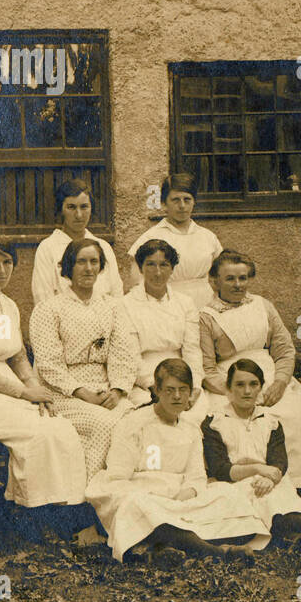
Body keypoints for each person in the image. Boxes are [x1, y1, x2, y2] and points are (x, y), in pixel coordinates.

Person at [0, 239, 86, 511]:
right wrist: (24, 393)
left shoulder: (7, 305)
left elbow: (18, 355)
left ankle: (62, 506)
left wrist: (36, 389)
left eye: (7, 263)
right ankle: (28, 507)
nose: (2, 270)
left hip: (9, 384)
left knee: (60, 427)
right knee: (37, 433)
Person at [85, 360, 264, 563]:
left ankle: (164, 548)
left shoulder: (191, 429)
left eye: (183, 390)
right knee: (139, 506)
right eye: (169, 390)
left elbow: (196, 477)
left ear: (190, 393)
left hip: (179, 498)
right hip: (141, 493)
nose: (177, 396)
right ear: (157, 391)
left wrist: (184, 496)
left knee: (229, 494)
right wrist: (158, 497)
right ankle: (216, 552)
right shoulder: (133, 423)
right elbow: (118, 477)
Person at [199, 251, 301, 490]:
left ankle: (299, 489)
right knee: (224, 422)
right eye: (230, 279)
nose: (238, 285)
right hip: (228, 384)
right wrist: (236, 391)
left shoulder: (263, 306)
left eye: (243, 278)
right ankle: (242, 486)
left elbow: (284, 351)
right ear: (214, 281)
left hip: (269, 379)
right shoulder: (206, 317)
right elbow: (207, 369)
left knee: (292, 414)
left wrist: (280, 384)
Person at [200, 358, 301, 552]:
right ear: (228, 389)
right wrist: (259, 470)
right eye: (239, 385)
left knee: (280, 492)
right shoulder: (215, 422)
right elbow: (220, 468)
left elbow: (279, 461)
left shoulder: (270, 421)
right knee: (260, 496)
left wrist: (271, 478)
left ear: (261, 388)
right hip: (232, 482)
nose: (247, 391)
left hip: (267, 479)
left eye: (253, 384)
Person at [29, 238, 137, 480]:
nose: (88, 268)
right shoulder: (49, 308)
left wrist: (118, 390)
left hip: (106, 387)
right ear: (69, 267)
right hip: (64, 393)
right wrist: (82, 392)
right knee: (104, 425)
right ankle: (88, 494)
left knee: (135, 419)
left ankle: (120, 491)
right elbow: (48, 363)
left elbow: (123, 353)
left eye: (94, 262)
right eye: (81, 262)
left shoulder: (113, 307)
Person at [118, 239, 207, 422]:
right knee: (152, 418)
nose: (157, 272)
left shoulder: (185, 303)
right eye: (150, 265)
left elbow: (192, 349)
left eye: (164, 265)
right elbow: (131, 355)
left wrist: (194, 385)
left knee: (196, 414)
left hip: (183, 375)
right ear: (141, 268)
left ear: (172, 268)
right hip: (144, 382)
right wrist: (155, 387)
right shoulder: (125, 304)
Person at [125, 173, 223, 308]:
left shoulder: (208, 237)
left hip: (206, 303)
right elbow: (137, 282)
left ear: (194, 202)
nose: (182, 206)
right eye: (175, 200)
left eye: (187, 199)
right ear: (164, 203)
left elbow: (222, 275)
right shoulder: (150, 238)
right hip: (167, 303)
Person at [32, 177, 123, 302]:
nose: (79, 215)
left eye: (84, 207)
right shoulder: (47, 248)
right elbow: (42, 299)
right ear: (61, 210)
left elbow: (117, 296)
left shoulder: (103, 247)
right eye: (71, 207)